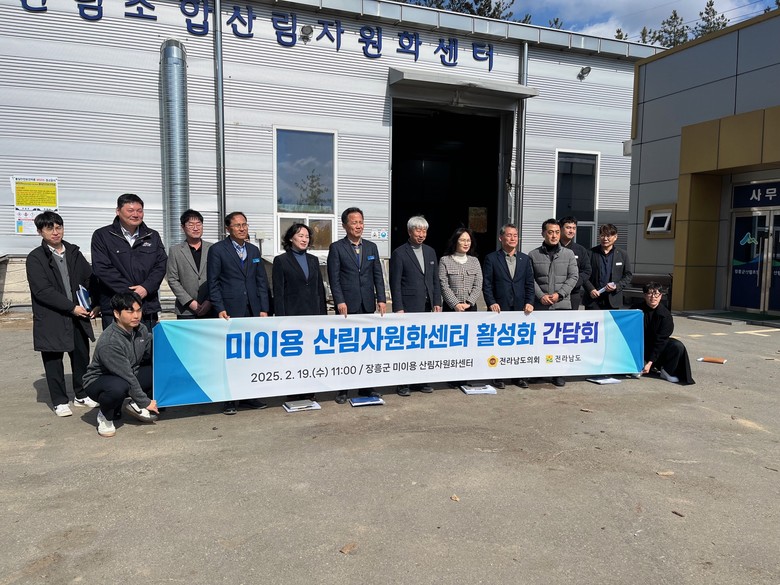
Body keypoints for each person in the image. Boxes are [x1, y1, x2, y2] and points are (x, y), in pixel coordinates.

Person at [26, 211, 99, 417]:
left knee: (81, 356)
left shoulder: (73, 252)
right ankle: (59, 400)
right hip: (52, 317)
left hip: (78, 315)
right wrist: (71, 307)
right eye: (49, 228)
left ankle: (81, 394)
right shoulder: (35, 258)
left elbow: (90, 279)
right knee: (53, 360)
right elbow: (42, 290)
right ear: (40, 231)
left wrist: (95, 303)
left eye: (59, 227)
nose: (55, 232)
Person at [207, 211, 271, 415]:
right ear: (228, 228)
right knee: (230, 356)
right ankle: (229, 399)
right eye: (237, 225)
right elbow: (213, 282)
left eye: (244, 224)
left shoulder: (253, 250)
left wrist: (263, 308)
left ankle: (248, 395)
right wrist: (219, 307)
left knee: (250, 355)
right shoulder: (218, 250)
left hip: (252, 310)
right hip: (230, 310)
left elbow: (261, 281)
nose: (242, 228)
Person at [327, 207, 387, 404]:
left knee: (366, 347)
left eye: (361, 222)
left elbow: (378, 275)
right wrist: (339, 300)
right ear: (345, 225)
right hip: (347, 306)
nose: (359, 226)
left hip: (367, 304)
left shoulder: (371, 247)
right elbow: (334, 278)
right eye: (354, 222)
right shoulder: (337, 248)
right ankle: (343, 389)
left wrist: (381, 299)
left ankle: (366, 386)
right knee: (347, 348)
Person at [82, 292, 158, 437]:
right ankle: (105, 416)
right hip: (100, 380)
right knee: (118, 388)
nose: (136, 316)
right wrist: (145, 402)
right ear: (117, 314)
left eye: (138, 310)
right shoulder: (110, 341)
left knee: (159, 371)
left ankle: (134, 404)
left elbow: (151, 350)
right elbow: (126, 376)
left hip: (128, 373)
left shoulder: (141, 329)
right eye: (130, 311)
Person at [91, 193, 168, 331]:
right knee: (117, 344)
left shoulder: (152, 236)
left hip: (146, 307)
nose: (136, 214)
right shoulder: (102, 236)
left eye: (139, 210)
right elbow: (102, 268)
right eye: (130, 210)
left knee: (146, 344)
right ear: (118, 211)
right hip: (116, 308)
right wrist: (131, 293)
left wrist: (146, 288)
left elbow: (161, 265)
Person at [273, 223, 327, 401]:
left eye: (307, 236)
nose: (304, 239)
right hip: (292, 316)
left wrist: (323, 316)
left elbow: (319, 290)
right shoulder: (281, 261)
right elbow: (278, 293)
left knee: (310, 354)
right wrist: (280, 319)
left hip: (312, 315)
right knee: (294, 356)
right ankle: (294, 391)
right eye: (300, 236)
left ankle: (310, 389)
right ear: (291, 238)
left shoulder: (313, 260)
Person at [390, 215, 442, 396]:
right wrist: (398, 307)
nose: (421, 234)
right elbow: (395, 283)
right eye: (418, 230)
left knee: (423, 345)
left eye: (424, 231)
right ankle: (403, 383)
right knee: (406, 346)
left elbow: (435, 280)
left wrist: (437, 302)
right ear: (409, 231)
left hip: (427, 306)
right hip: (408, 306)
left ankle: (421, 380)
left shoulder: (430, 251)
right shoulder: (399, 253)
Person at [482, 223, 534, 389]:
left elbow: (529, 284)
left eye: (515, 235)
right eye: (509, 235)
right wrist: (491, 302)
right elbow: (487, 284)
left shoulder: (525, 259)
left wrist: (529, 302)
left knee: (518, 344)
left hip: (520, 309)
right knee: (499, 343)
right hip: (499, 308)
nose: (512, 238)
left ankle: (518, 376)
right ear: (501, 238)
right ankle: (498, 376)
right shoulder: (491, 258)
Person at [528, 218, 579, 387]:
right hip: (541, 306)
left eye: (557, 232)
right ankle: (539, 371)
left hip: (561, 306)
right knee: (540, 342)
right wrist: (540, 295)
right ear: (543, 233)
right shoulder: (533, 255)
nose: (554, 236)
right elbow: (530, 279)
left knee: (560, 343)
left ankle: (558, 373)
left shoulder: (568, 254)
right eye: (550, 232)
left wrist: (560, 294)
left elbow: (573, 277)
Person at [438, 227, 482, 389]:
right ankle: (452, 376)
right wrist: (455, 304)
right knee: (452, 344)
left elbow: (478, 284)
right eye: (462, 240)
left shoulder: (474, 261)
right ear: (455, 241)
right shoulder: (445, 260)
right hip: (452, 309)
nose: (466, 243)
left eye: (468, 240)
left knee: (468, 343)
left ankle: (466, 375)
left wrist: (469, 302)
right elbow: (443, 284)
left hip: (470, 308)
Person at [639, 282, 695, 385]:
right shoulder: (636, 310)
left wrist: (650, 362)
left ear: (661, 296)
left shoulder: (665, 315)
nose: (653, 297)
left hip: (658, 349)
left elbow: (661, 340)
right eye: (650, 294)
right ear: (644, 295)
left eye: (656, 294)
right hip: (640, 347)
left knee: (677, 346)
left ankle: (667, 371)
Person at [166, 209, 213, 319]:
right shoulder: (175, 251)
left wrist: (209, 300)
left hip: (211, 307)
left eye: (198, 224)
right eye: (191, 225)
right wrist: (190, 302)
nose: (195, 228)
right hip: (186, 310)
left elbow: (220, 276)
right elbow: (172, 279)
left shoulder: (213, 248)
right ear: (183, 227)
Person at [584, 223, 633, 310]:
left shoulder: (622, 254)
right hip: (593, 299)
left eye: (608, 236)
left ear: (615, 237)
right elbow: (584, 274)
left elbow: (628, 275)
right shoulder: (590, 253)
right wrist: (590, 289)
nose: (605, 238)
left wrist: (617, 286)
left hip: (613, 300)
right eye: (602, 235)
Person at [558, 216, 591, 310]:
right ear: (560, 228)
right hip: (554, 294)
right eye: (568, 228)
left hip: (573, 294)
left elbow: (586, 271)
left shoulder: (580, 250)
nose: (571, 231)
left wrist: (572, 284)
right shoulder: (552, 248)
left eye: (574, 228)